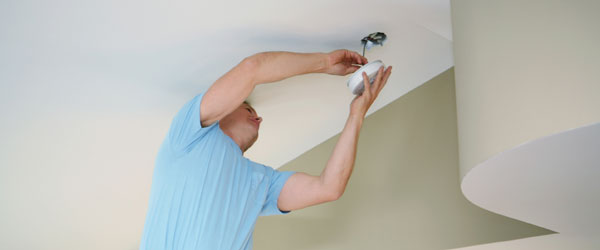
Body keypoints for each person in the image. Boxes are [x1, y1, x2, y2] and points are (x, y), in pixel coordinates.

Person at [139, 50, 392, 250]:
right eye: (249, 110)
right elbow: (253, 68)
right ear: (226, 109)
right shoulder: (189, 135)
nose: (259, 119)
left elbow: (329, 187)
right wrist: (324, 62)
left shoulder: (261, 182)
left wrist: (357, 114)